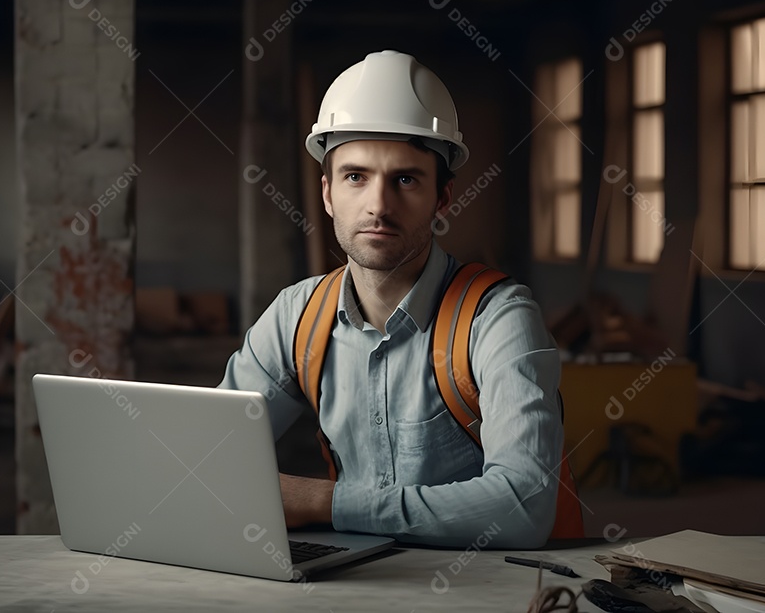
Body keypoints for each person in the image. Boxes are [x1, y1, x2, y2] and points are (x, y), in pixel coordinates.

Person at [219, 50, 565, 549]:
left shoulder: (498, 319)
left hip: (483, 589)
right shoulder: (297, 316)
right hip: (351, 585)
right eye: (356, 177)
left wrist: (322, 502)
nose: (378, 205)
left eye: (405, 179)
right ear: (328, 193)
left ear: (442, 198)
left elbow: (523, 508)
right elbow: (208, 460)